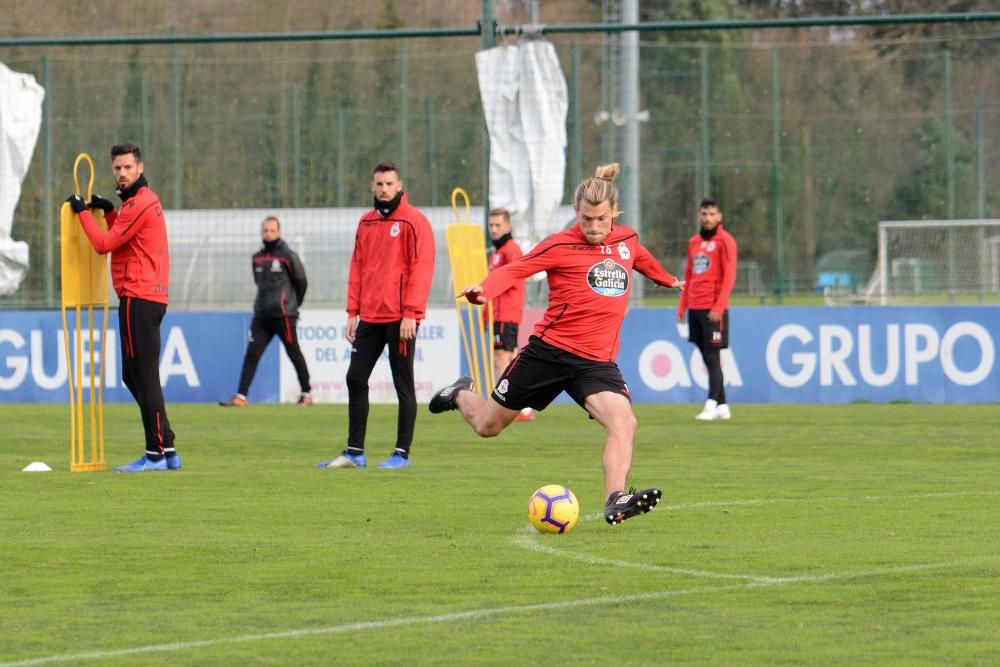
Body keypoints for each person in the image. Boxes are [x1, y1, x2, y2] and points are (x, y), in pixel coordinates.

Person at [429, 164, 684, 525]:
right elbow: (516, 269)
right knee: (488, 425)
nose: (593, 228)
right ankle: (458, 394)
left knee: (624, 422)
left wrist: (668, 280)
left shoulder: (627, 240)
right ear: (575, 214)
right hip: (547, 354)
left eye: (600, 219)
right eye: (585, 219)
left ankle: (616, 498)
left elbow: (640, 259)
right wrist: (484, 290)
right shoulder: (560, 244)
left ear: (615, 214)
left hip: (596, 363)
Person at [66, 142, 180, 473]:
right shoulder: (138, 203)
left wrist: (83, 212)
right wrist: (112, 211)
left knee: (143, 378)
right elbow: (128, 236)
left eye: (128, 167)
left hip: (138, 297)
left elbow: (104, 244)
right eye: (117, 168)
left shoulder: (140, 203)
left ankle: (155, 453)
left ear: (140, 168)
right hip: (148, 297)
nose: (122, 173)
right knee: (134, 376)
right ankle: (167, 445)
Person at [317, 161, 435, 470]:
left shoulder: (414, 222)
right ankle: (354, 452)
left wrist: (412, 313)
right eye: (379, 184)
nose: (384, 189)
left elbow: (421, 270)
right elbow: (357, 267)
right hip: (369, 316)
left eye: (389, 184)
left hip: (401, 319)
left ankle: (402, 453)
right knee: (355, 377)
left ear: (399, 186)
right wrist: (352, 311)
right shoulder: (366, 223)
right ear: (372, 187)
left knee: (403, 384)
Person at [221, 216, 312, 408]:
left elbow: (301, 281)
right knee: (252, 354)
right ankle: (241, 396)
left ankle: (306, 394)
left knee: (294, 353)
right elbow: (258, 282)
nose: (268, 234)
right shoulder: (257, 258)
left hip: (284, 315)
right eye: (265, 231)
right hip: (262, 315)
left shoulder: (288, 256)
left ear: (279, 232)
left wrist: (294, 304)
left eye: (272, 231)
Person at [676, 197, 738, 421]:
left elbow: (729, 276)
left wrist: (719, 307)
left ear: (719, 217)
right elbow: (689, 275)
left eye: (712, 214)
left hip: (714, 310)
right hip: (695, 307)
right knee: (706, 357)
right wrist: (683, 305)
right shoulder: (693, 242)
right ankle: (723, 405)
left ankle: (710, 404)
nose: (708, 218)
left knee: (713, 358)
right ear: (699, 216)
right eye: (704, 214)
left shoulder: (726, 241)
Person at [484, 207, 534, 422]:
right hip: (499, 314)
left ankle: (509, 406)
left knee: (502, 359)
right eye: (491, 225)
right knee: (510, 359)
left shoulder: (510, 249)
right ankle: (522, 407)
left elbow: (515, 275)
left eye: (498, 225)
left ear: (508, 226)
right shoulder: (498, 252)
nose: (494, 230)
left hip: (506, 313)